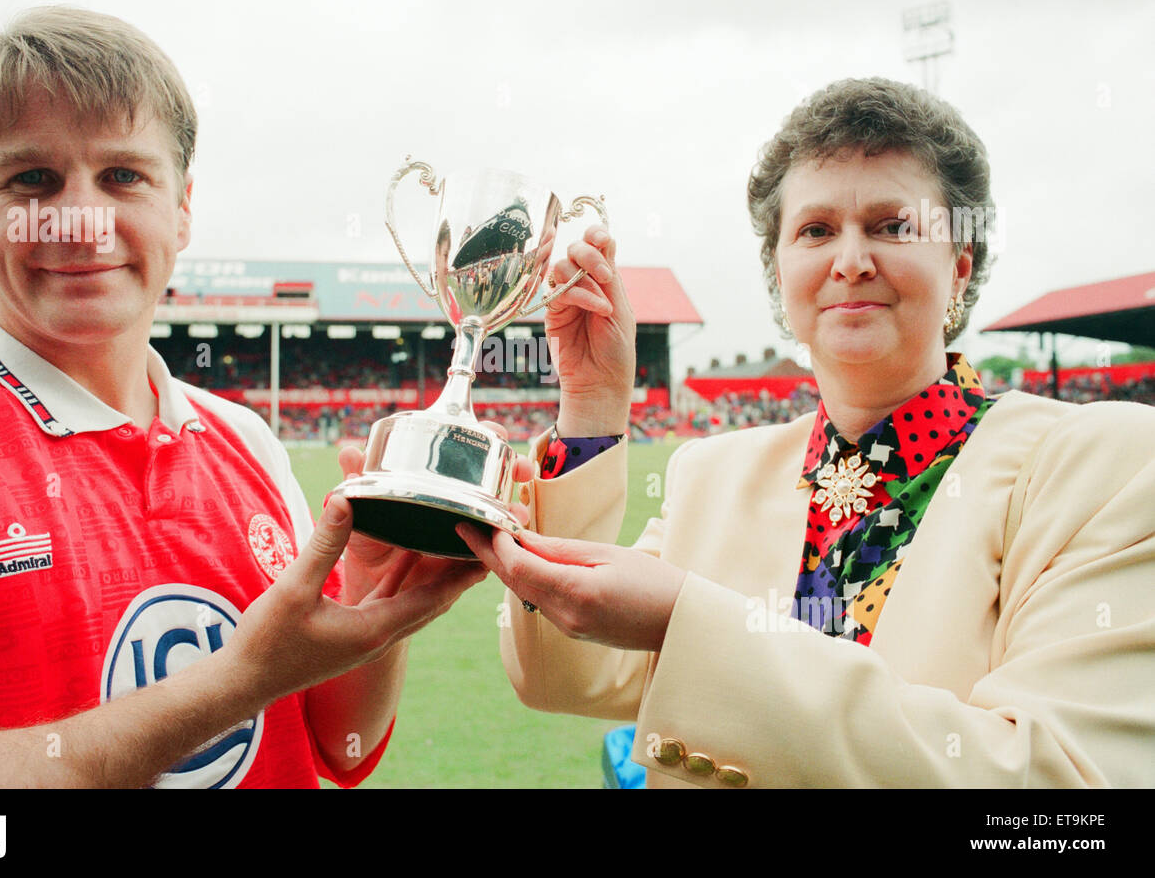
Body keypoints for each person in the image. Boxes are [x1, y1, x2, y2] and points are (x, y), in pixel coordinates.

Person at [0, 6, 517, 789]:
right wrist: (233, 683)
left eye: (123, 176)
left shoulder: (248, 439)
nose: (82, 221)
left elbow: (338, 745)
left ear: (184, 207)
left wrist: (377, 600)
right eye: (33, 179)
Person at [459, 78, 1155, 787]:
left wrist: (691, 623)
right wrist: (592, 408)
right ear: (780, 271)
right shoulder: (712, 474)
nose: (850, 260)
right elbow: (564, 676)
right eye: (816, 230)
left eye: (892, 225)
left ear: (960, 269)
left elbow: (1061, 799)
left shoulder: (1103, 466)